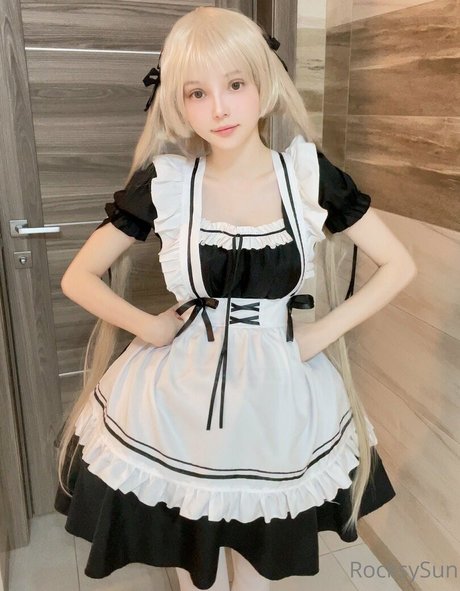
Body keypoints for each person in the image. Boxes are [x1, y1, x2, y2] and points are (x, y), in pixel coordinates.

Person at [53, 6, 417, 591]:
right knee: (194, 557)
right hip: (178, 395)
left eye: (235, 85)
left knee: (256, 565)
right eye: (197, 93)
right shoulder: (168, 183)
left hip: (279, 390)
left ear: (265, 85)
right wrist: (149, 328)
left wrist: (319, 336)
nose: (218, 109)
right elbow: (79, 277)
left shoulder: (307, 175)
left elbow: (399, 265)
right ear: (178, 102)